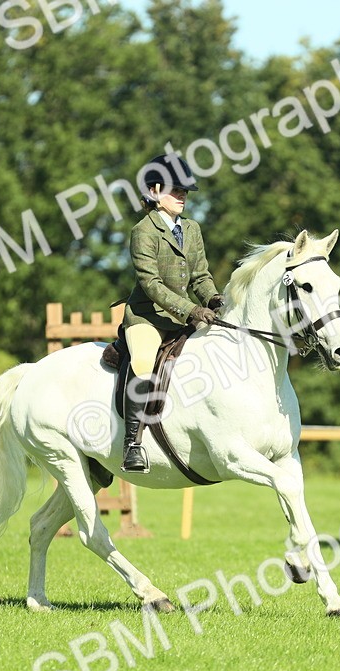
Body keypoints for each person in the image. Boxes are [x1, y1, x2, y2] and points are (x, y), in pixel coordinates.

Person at [119, 153, 224, 473]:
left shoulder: (192, 229)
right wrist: (192, 309)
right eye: (174, 190)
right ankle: (132, 443)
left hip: (182, 317)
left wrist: (214, 300)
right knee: (142, 361)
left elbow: (200, 277)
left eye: (184, 191)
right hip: (147, 316)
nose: (182, 196)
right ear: (153, 192)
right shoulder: (143, 231)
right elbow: (151, 284)